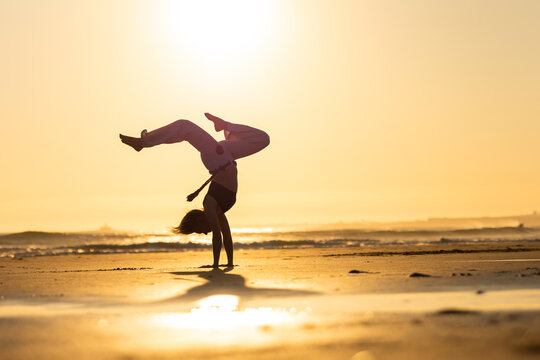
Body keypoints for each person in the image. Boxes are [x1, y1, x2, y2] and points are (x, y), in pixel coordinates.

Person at [119, 113, 270, 268]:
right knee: (263, 139)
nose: (204, 234)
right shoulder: (218, 211)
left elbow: (217, 237)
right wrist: (230, 263)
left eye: (198, 231)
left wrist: (215, 266)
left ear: (198, 220)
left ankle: (143, 142)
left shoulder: (210, 205)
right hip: (225, 156)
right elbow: (226, 236)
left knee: (184, 127)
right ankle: (226, 128)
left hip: (217, 157)